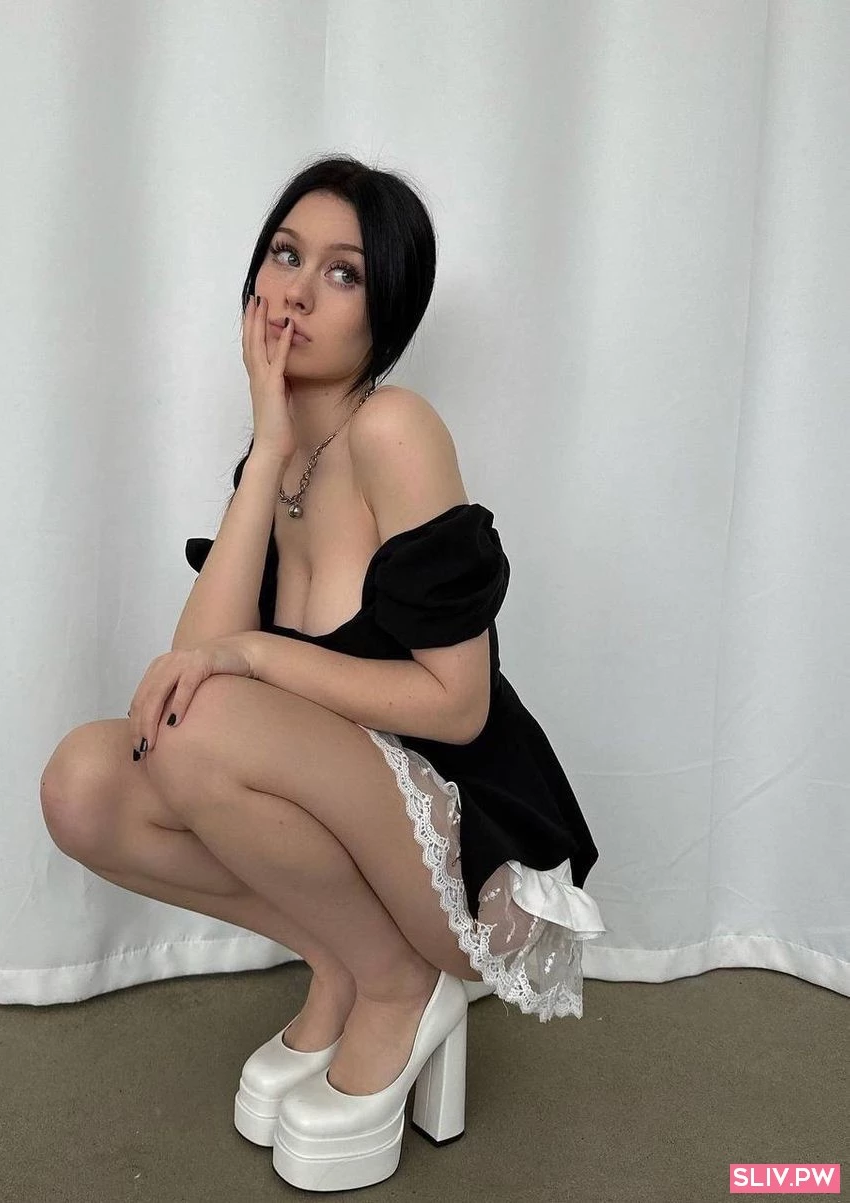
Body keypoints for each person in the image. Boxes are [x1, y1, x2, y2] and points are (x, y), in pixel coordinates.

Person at [39, 153, 607, 1192]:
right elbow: (178, 681)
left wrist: (255, 654)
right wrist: (264, 453)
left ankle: (399, 985)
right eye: (285, 255)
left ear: (386, 316)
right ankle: (346, 959)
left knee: (208, 719)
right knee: (87, 782)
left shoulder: (396, 429)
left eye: (343, 273)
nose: (297, 290)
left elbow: (458, 704)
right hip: (353, 831)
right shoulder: (281, 459)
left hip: (468, 850)